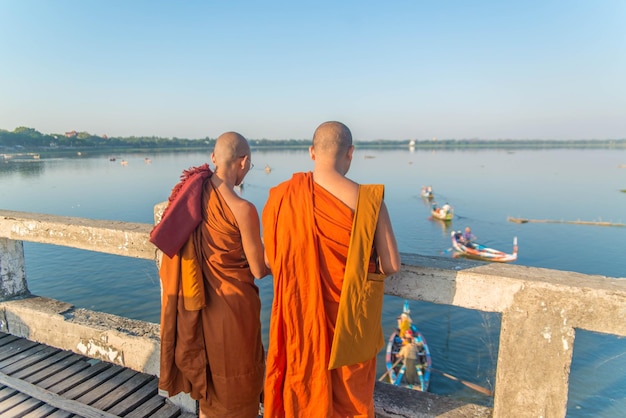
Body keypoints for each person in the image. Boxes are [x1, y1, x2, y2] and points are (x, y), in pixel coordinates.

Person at [262, 121, 401, 417]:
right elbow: (391, 265)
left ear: (312, 152)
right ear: (350, 153)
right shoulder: (369, 201)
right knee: (350, 402)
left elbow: (273, 260)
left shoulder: (282, 196)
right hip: (350, 325)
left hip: (301, 319)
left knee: (303, 387)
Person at [152, 132, 268, 418]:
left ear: (214, 158)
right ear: (243, 162)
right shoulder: (243, 209)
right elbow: (258, 269)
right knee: (237, 381)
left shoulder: (190, 197)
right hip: (233, 310)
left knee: (211, 384)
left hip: (198, 305)